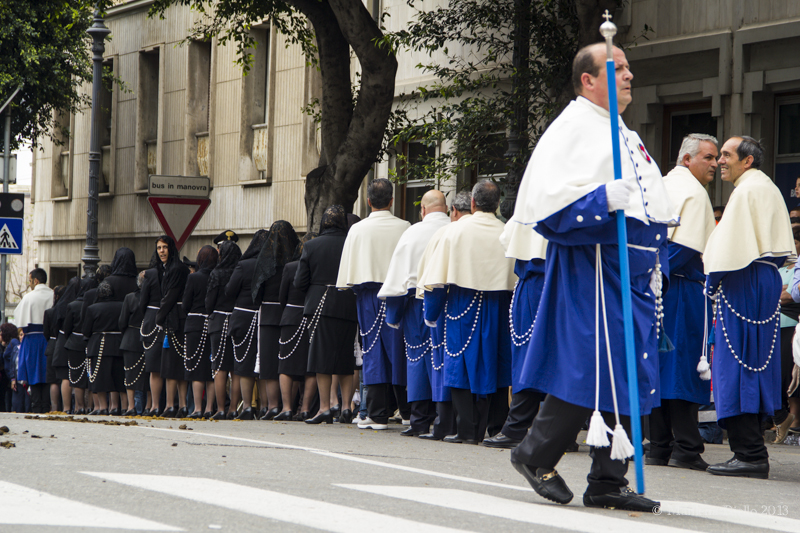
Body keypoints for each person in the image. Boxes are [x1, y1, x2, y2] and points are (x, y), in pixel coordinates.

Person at [507, 43, 678, 512]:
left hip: (635, 270)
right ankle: (534, 453)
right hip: (596, 264)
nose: (629, 75)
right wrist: (600, 199)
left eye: (628, 68)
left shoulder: (620, 128)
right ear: (588, 79)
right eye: (618, 68)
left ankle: (608, 479)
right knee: (592, 366)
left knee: (629, 370)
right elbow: (549, 211)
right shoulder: (571, 128)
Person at [703, 136, 794, 478]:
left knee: (737, 365)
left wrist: (710, 283)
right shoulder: (766, 186)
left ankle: (749, 453)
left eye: (726, 155)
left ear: (747, 160)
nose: (720, 161)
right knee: (756, 365)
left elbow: (729, 253)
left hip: (744, 280)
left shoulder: (746, 191)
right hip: (763, 279)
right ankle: (752, 450)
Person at [418, 181, 515, 444]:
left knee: (458, 364)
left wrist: (431, 312)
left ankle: (468, 430)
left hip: (463, 304)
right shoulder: (507, 232)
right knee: (497, 363)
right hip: (498, 305)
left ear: (472, 203)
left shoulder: (454, 231)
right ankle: (496, 427)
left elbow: (437, 279)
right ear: (497, 204)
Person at [647, 134, 718, 471]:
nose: (715, 164)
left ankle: (659, 446)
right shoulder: (694, 192)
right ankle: (687, 447)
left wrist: (646, 279)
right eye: (708, 157)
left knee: (660, 366)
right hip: (681, 289)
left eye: (716, 157)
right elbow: (685, 247)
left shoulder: (659, 185)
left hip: (654, 288)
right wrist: (658, 276)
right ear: (687, 159)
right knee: (684, 365)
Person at [336, 179, 411, 429]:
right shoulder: (405, 227)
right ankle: (407, 411)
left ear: (368, 202)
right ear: (392, 201)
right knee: (400, 351)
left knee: (373, 351)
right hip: (398, 295)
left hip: (369, 296)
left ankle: (378, 414)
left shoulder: (358, 229)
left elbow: (348, 272)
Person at [378, 190, 450, 437]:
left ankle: (419, 419)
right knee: (446, 357)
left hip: (418, 303)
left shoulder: (413, 232)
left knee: (418, 358)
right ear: (446, 208)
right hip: (452, 303)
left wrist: (393, 315)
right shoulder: (454, 228)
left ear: (423, 210)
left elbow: (398, 278)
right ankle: (446, 418)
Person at [482, 198, 550, 449]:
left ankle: (517, 427)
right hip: (561, 281)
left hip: (535, 283)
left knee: (528, 357)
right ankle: (552, 429)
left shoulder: (537, 200)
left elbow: (507, 238)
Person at [296, 205, 359, 425]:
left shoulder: (311, 245)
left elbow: (299, 282)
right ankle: (346, 407)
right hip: (348, 303)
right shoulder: (351, 244)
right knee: (345, 357)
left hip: (320, 305)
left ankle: (324, 408)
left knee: (321, 358)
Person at [253, 221, 300, 420]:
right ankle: (290, 405)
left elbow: (256, 292)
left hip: (268, 316)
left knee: (269, 364)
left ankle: (273, 406)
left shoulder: (264, 262)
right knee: (290, 363)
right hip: (290, 314)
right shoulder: (296, 261)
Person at [226, 229, 269, 420]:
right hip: (263, 316)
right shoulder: (271, 265)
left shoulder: (243, 265)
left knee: (243, 365)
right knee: (262, 364)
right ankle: (265, 407)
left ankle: (247, 407)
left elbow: (229, 290)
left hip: (242, 316)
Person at [276, 233, 317, 421]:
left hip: (291, 317)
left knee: (286, 365)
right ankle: (305, 409)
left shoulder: (290, 267)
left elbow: (282, 297)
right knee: (310, 367)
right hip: (311, 317)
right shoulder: (318, 268)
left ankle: (286, 408)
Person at [154, 235, 191, 418]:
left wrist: (158, 318)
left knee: (171, 365)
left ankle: (171, 405)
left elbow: (170, 296)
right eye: (159, 248)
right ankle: (181, 405)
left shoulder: (175, 268)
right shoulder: (169, 268)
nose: (161, 251)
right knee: (178, 364)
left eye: (165, 247)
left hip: (174, 319)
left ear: (171, 249)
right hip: (177, 318)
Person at [206, 239, 243, 420]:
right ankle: (233, 409)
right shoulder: (239, 271)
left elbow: (209, 302)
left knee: (219, 367)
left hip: (219, 321)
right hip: (236, 319)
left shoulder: (216, 273)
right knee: (235, 368)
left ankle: (221, 409)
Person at [182, 245, 219, 418]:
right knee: (210, 370)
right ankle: (209, 408)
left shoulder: (193, 277)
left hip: (195, 323)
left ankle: (197, 408)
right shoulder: (217, 275)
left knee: (196, 369)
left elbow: (185, 304)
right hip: (212, 322)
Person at [15, 268, 55, 413]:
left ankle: (36, 405)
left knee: (33, 372)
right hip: (49, 339)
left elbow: (19, 320)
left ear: (36, 281)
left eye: (30, 281)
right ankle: (46, 405)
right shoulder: (53, 295)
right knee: (47, 372)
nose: (30, 284)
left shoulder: (28, 297)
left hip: (32, 339)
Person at [83, 281, 125, 414]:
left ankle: (102, 407)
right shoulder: (121, 305)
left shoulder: (92, 308)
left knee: (100, 378)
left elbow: (86, 330)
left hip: (99, 345)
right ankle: (118, 406)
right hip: (118, 344)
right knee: (118, 377)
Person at [775, 226, 800, 442]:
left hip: (792, 323)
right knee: (777, 372)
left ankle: (792, 419)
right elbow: (776, 292)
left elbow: (792, 294)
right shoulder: (781, 266)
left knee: (789, 373)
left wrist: (783, 291)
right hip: (775, 324)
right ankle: (778, 418)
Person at [63, 277, 97, 414]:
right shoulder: (95, 303)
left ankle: (80, 407)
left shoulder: (72, 305)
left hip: (75, 342)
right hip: (92, 342)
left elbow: (67, 328)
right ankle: (90, 406)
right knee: (92, 376)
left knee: (76, 377)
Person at [140, 250, 165, 416]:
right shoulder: (178, 271)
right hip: (170, 318)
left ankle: (155, 405)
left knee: (154, 368)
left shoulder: (150, 274)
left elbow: (143, 301)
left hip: (152, 319)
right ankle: (169, 405)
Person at [120, 271, 147, 416]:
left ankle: (131, 406)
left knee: (130, 373)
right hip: (148, 336)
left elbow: (122, 321)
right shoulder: (155, 298)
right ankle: (148, 406)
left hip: (130, 338)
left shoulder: (130, 298)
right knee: (148, 373)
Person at [43, 285, 65, 411]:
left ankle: (55, 407)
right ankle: (66, 407)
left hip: (52, 345)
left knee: (53, 380)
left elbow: (45, 332)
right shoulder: (68, 309)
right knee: (65, 378)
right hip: (64, 345)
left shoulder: (49, 312)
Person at [2, 323, 24, 412]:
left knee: (15, 401)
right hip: (10, 376)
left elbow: (14, 359)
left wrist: (13, 377)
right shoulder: (9, 343)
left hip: (14, 376)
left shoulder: (14, 342)